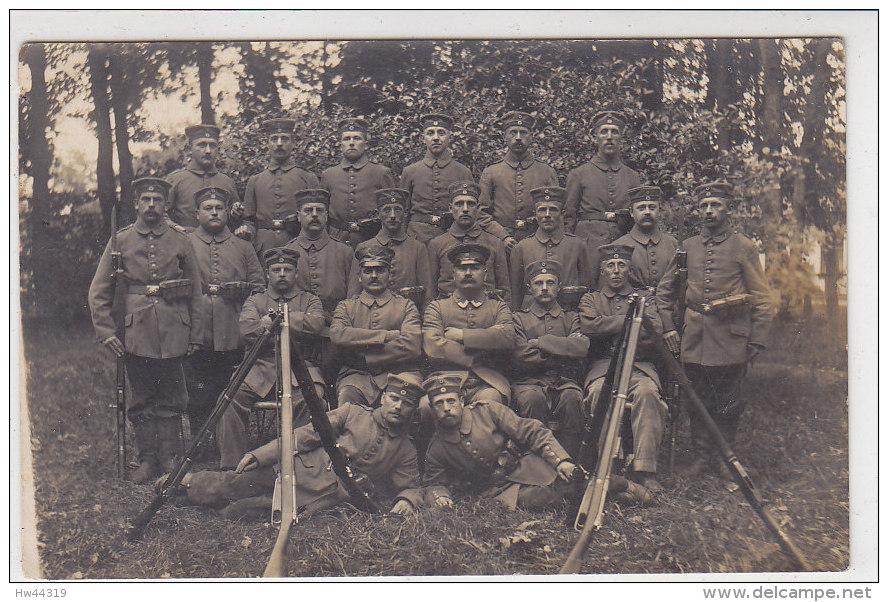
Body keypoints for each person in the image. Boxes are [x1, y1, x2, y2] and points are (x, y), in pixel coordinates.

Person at [159, 373, 426, 519]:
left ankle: (192, 500)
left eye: (407, 403)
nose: (398, 407)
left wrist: (406, 500)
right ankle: (183, 483)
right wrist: (261, 455)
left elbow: (410, 486)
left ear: (413, 410)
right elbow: (304, 435)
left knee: (240, 511)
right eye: (393, 398)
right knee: (233, 485)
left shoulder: (405, 450)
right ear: (383, 398)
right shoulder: (353, 413)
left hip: (322, 498)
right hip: (294, 472)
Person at [88, 177, 204, 483]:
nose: (151, 205)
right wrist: (106, 331)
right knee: (141, 396)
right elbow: (98, 290)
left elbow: (196, 291)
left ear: (166, 205)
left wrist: (196, 333)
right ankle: (147, 459)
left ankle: (170, 457)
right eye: (146, 200)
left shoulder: (181, 240)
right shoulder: (121, 240)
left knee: (172, 395)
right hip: (134, 332)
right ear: (137, 204)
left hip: (173, 329)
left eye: (157, 200)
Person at [656, 181, 773, 478]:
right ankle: (700, 457)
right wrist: (669, 329)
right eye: (704, 206)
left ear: (728, 209)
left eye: (715, 205)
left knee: (728, 402)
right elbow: (663, 294)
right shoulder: (688, 247)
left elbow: (761, 296)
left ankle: (725, 458)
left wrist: (757, 339)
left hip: (730, 337)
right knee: (697, 400)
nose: (709, 211)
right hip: (694, 338)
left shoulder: (744, 247)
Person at [215, 247, 326, 470]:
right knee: (228, 401)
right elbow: (247, 330)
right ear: (268, 274)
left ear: (296, 273)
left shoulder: (310, 300)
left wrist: (275, 320)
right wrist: (294, 323)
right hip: (260, 368)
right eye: (276, 270)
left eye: (287, 269)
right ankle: (232, 468)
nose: (282, 274)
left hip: (300, 369)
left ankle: (299, 465)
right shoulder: (255, 301)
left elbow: (315, 325)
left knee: (312, 401)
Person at [578, 244, 667, 494]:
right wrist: (629, 322)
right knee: (597, 393)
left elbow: (655, 331)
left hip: (639, 365)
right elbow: (589, 327)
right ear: (602, 270)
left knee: (648, 393)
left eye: (621, 266)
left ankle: (645, 469)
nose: (616, 271)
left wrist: (608, 328)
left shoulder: (644, 298)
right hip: (604, 368)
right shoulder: (591, 299)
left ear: (629, 269)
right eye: (610, 266)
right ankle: (610, 463)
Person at [421, 373, 577, 511]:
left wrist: (560, 461)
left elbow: (531, 430)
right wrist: (440, 497)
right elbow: (433, 483)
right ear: (432, 408)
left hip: (522, 465)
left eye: (451, 401)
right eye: (439, 403)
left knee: (568, 481)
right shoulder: (436, 447)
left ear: (461, 401)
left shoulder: (488, 411)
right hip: (496, 491)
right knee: (544, 498)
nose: (447, 408)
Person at [185, 186, 265, 441]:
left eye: (219, 208)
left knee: (228, 385)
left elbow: (259, 287)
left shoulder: (243, 247)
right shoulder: (185, 243)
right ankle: (200, 441)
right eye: (208, 208)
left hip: (232, 327)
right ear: (197, 214)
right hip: (197, 328)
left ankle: (226, 440)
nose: (214, 213)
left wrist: (242, 291)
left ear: (227, 213)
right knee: (197, 389)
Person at [511, 260, 589, 457]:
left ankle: (570, 462)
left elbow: (581, 348)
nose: (544, 288)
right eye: (538, 283)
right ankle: (535, 461)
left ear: (559, 286)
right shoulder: (519, 319)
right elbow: (521, 355)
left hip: (565, 381)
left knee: (573, 399)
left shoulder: (571, 318)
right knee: (532, 399)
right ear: (529, 288)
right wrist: (564, 351)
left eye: (550, 282)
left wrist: (541, 342)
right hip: (529, 381)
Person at [422, 243, 515, 406]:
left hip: (488, 381)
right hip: (445, 379)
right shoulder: (437, 307)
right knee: (426, 406)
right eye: (462, 268)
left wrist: (462, 336)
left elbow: (507, 338)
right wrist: (486, 343)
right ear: (453, 274)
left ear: (485, 274)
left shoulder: (498, 307)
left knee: (490, 402)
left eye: (475, 268)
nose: (468, 273)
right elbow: (433, 347)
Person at [330, 244, 423, 408]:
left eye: (380, 270)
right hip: (357, 376)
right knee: (348, 403)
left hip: (399, 373)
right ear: (359, 277)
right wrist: (385, 336)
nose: (374, 276)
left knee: (403, 402)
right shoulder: (347, 307)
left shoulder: (406, 306)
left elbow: (412, 346)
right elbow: (338, 335)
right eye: (367, 271)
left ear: (390, 275)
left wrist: (365, 355)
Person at [564, 111, 642, 269]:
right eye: (604, 131)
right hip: (588, 246)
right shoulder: (579, 174)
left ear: (621, 138)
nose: (609, 136)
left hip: (623, 242)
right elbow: (568, 217)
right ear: (595, 137)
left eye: (614, 131)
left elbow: (637, 219)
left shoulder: (632, 177)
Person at [240, 118, 320, 260]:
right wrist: (248, 231)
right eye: (274, 139)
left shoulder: (308, 178)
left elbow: (318, 219)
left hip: (297, 244)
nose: (279, 144)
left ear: (293, 142)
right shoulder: (255, 181)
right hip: (263, 247)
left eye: (284, 139)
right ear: (267, 143)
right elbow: (249, 220)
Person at [479, 111, 559, 249]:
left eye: (523, 133)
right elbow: (481, 213)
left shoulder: (546, 172)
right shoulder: (491, 172)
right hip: (501, 243)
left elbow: (557, 211)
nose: (518, 138)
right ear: (505, 137)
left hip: (537, 242)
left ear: (531, 137)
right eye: (513, 132)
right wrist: (502, 236)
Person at [508, 185, 595, 310]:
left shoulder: (577, 245)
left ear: (562, 213)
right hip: (531, 316)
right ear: (535, 214)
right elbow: (516, 292)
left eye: (553, 210)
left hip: (568, 312)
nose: (547, 215)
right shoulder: (522, 247)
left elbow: (588, 287)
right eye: (542, 210)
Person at [347, 188, 434, 307]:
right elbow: (353, 296)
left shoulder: (418, 248)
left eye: (397, 210)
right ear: (378, 214)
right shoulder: (364, 247)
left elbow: (427, 294)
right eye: (387, 210)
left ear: (405, 213)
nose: (392, 216)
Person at [428, 181, 511, 303]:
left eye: (470, 204)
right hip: (448, 314)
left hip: (487, 313)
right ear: (450, 208)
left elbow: (504, 290)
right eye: (459, 204)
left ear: (478, 209)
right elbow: (430, 291)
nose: (465, 209)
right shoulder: (437, 244)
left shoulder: (495, 243)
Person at [320, 117, 396, 247]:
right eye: (346, 139)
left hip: (371, 239)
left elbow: (393, 211)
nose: (351, 143)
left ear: (366, 144)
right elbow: (322, 213)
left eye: (356, 138)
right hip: (335, 241)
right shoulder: (328, 175)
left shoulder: (381, 173)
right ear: (340, 144)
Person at [400, 113, 474, 244]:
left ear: (449, 137)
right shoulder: (410, 171)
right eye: (430, 133)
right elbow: (403, 212)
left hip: (451, 237)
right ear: (423, 138)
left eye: (441, 133)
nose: (435, 138)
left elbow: (471, 211)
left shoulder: (462, 172)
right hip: (416, 238)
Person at [284, 189, 354, 319]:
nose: (314, 215)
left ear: (326, 216)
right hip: (299, 326)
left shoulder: (345, 252)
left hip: (337, 324)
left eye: (319, 210)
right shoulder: (288, 252)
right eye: (308, 210)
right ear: (298, 216)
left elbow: (353, 297)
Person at [166, 124, 241, 231]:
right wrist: (176, 229)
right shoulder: (175, 180)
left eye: (212, 145)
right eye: (201, 145)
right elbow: (162, 214)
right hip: (187, 241)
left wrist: (235, 215)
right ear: (190, 148)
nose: (208, 151)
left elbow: (236, 220)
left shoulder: (227, 182)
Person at [612, 185, 678, 295]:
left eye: (652, 208)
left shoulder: (673, 244)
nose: (647, 212)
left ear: (659, 211)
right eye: (641, 208)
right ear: (632, 212)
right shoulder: (618, 246)